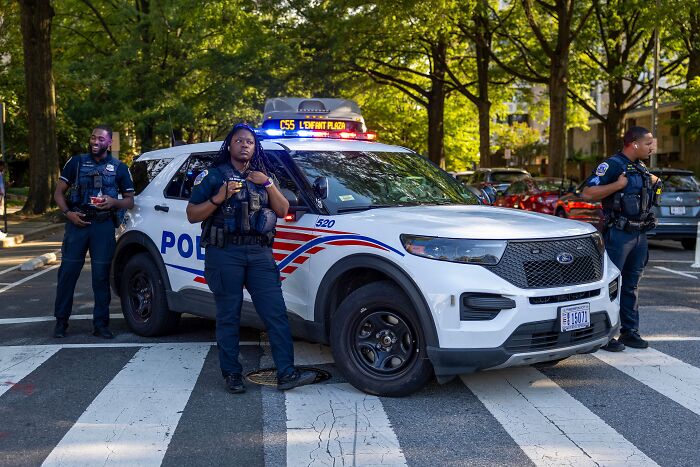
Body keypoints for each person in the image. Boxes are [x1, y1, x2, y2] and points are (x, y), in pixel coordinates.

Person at [186, 123, 317, 393]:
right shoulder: (213, 176)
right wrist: (219, 197)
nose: (245, 145)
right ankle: (232, 374)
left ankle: (286, 374)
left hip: (259, 254)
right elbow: (192, 214)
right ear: (230, 145)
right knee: (228, 315)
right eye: (239, 141)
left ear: (255, 148)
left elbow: (282, 210)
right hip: (225, 253)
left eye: (250, 142)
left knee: (276, 314)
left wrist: (267, 183)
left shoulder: (264, 177)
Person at [582, 126, 661, 352]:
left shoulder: (641, 167)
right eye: (648, 143)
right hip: (618, 234)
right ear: (634, 143)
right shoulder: (612, 165)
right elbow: (587, 193)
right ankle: (606, 335)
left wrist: (653, 182)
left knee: (631, 285)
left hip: (639, 234)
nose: (652, 147)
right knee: (612, 285)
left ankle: (629, 332)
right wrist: (617, 185)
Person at [53, 125, 135, 339]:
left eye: (100, 138)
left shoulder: (119, 168)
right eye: (92, 137)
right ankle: (61, 322)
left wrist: (113, 202)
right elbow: (59, 193)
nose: (95, 141)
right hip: (76, 225)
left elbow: (129, 200)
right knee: (67, 275)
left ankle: (101, 324)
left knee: (100, 277)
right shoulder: (76, 162)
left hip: (102, 227)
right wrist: (68, 213)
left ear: (109, 143)